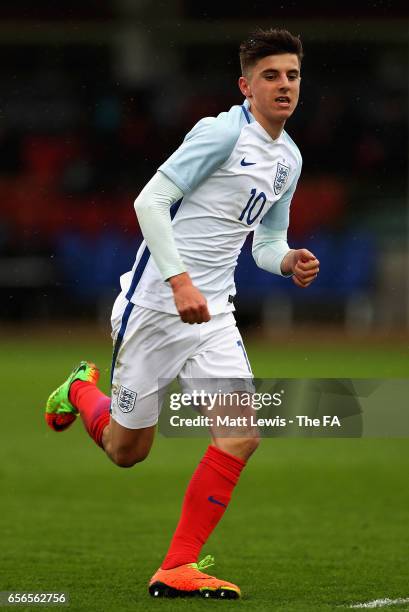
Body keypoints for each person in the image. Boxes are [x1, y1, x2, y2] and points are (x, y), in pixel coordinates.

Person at [45, 27, 320, 599]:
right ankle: (78, 389)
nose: (284, 85)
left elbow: (266, 242)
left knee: (241, 434)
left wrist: (288, 258)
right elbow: (149, 200)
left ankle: (177, 566)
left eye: (292, 74)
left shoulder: (288, 158)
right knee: (128, 452)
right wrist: (179, 281)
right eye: (271, 75)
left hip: (214, 312)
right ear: (246, 85)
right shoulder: (221, 133)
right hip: (156, 306)